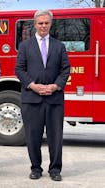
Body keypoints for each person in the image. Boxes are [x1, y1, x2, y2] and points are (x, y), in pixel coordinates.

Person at [15, 10, 70, 181]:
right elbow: (19, 69)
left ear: (50, 24)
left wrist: (55, 86)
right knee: (32, 136)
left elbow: (65, 69)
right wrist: (33, 85)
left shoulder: (59, 46)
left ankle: (55, 169)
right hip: (32, 98)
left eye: (46, 23)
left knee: (55, 136)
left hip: (54, 99)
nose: (43, 26)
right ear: (35, 24)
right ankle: (36, 168)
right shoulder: (25, 46)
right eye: (40, 23)